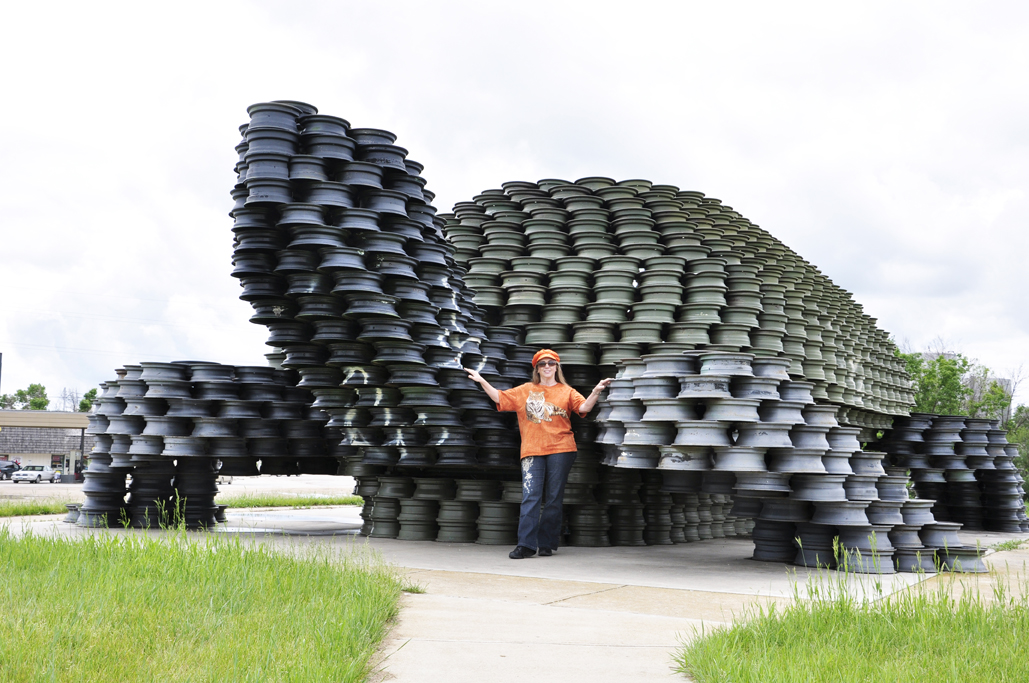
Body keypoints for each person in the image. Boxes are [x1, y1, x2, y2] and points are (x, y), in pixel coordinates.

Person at [466, 349, 611, 559]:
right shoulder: (526, 390)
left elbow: (584, 407)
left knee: (553, 498)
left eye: (551, 363)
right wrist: (481, 381)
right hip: (532, 450)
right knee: (530, 496)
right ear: (537, 369)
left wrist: (596, 390)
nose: (547, 367)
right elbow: (500, 397)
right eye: (542, 364)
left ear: (557, 367)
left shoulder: (567, 391)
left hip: (561, 448)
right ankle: (525, 545)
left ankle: (546, 544)